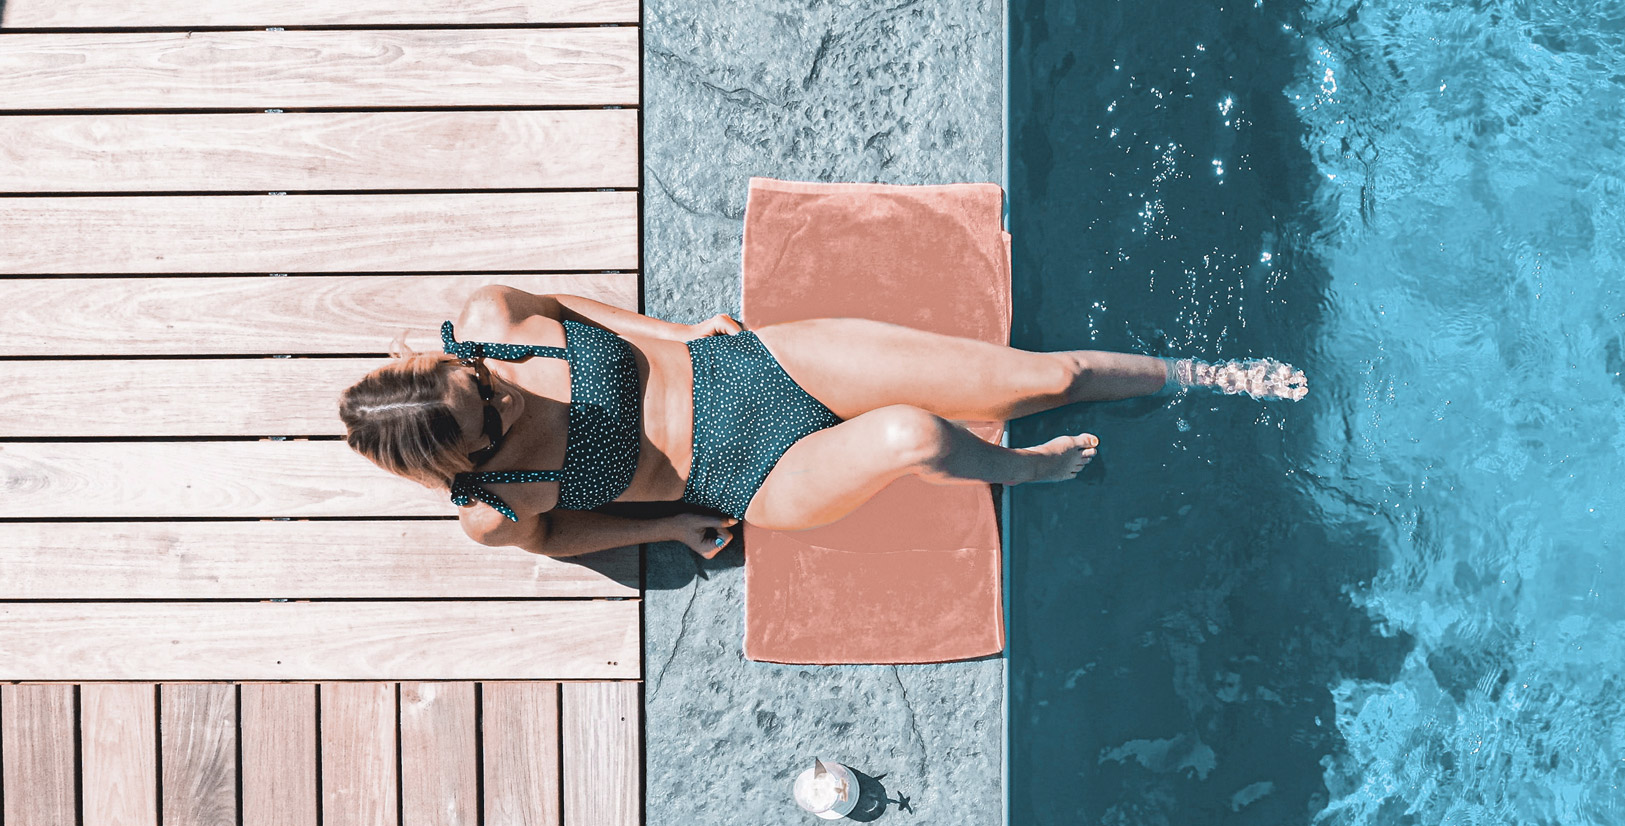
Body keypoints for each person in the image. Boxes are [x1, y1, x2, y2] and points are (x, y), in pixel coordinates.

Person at [337, 284, 1307, 559]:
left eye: (480, 381)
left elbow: (574, 307)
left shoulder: (492, 323)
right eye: (490, 421)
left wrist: (673, 327)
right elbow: (556, 536)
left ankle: (1202, 374)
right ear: (457, 464)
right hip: (755, 473)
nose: (505, 397)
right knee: (913, 435)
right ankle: (1029, 472)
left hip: (751, 361)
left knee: (1040, 374)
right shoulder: (491, 508)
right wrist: (667, 525)